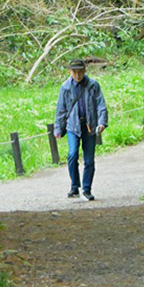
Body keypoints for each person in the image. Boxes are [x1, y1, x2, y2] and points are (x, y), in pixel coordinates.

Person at [54, 58, 108, 200]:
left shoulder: (93, 85)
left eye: (80, 71)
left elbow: (101, 105)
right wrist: (58, 128)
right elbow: (61, 109)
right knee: (72, 155)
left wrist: (102, 122)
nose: (77, 75)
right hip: (72, 126)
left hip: (89, 126)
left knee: (89, 160)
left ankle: (86, 189)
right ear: (70, 72)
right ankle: (74, 186)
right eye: (75, 72)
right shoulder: (65, 87)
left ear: (85, 71)